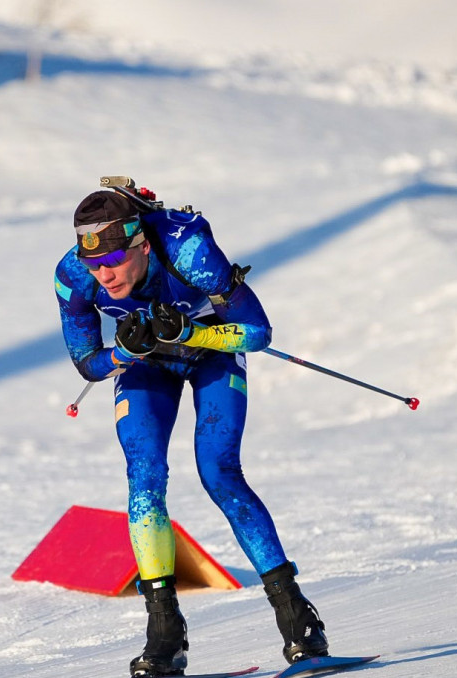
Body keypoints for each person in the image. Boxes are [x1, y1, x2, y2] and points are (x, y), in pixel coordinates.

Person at [53, 187, 329, 676]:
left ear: (141, 246)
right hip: (145, 366)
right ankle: (165, 634)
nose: (104, 275)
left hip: (211, 352)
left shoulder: (188, 250)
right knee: (144, 476)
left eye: (114, 260)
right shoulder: (73, 276)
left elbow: (259, 332)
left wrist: (190, 333)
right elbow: (87, 364)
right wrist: (123, 353)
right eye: (94, 264)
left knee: (218, 472)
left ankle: (297, 620)